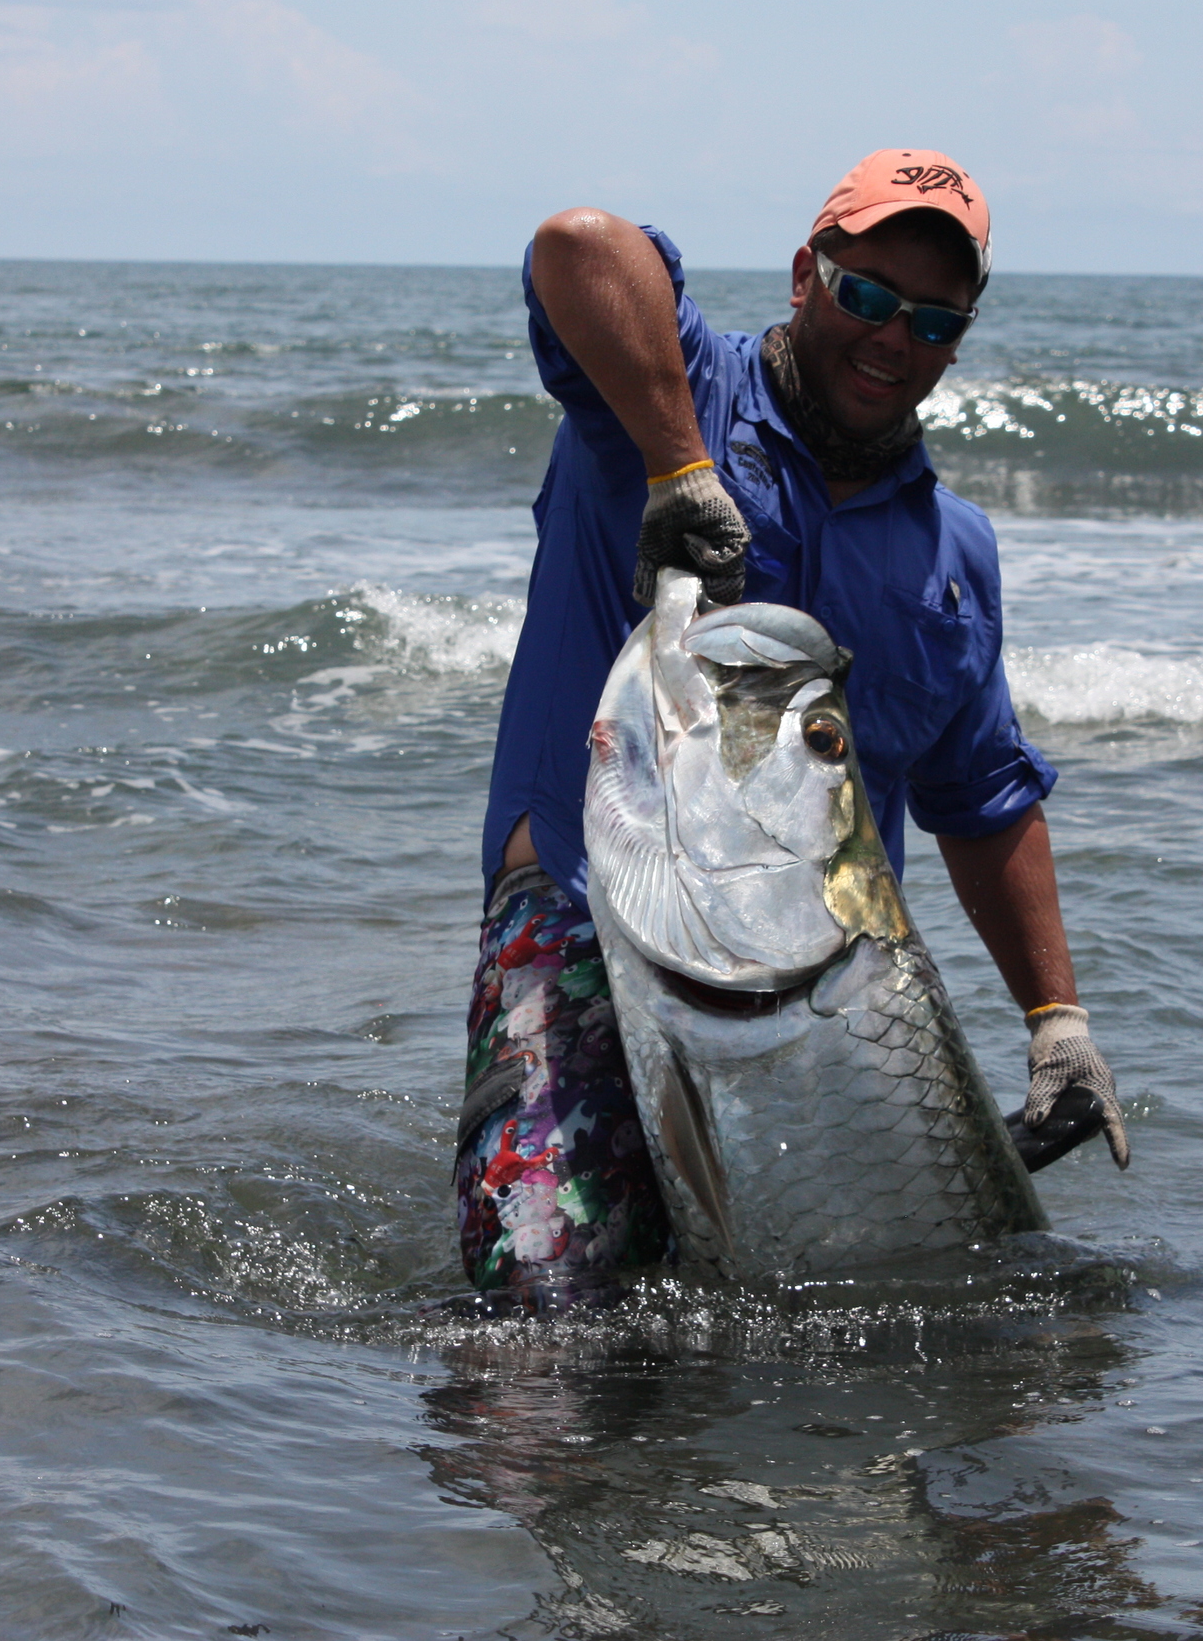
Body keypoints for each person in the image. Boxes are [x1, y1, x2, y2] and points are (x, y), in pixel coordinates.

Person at [456, 150, 1128, 1303]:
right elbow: (575, 245)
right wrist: (676, 465)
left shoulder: (953, 552)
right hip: (581, 917)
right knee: (538, 1327)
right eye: (864, 293)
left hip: (831, 989)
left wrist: (1056, 1019)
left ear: (960, 338)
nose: (890, 335)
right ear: (803, 274)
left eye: (930, 318)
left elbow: (983, 796)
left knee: (863, 1345)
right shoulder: (669, 390)